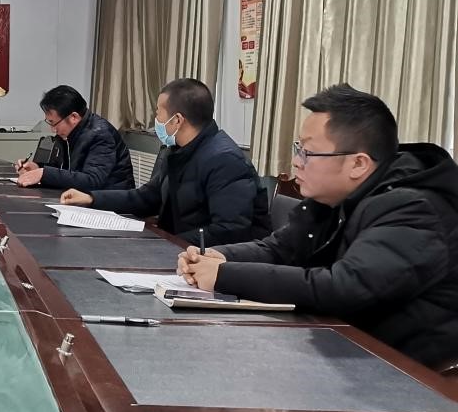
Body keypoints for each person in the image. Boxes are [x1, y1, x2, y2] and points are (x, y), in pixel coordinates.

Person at [179, 84, 458, 369]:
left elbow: (344, 287)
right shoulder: (335, 197)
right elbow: (279, 249)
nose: (296, 162)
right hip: (339, 346)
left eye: (308, 153)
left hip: (405, 372)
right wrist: (218, 257)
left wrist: (224, 276)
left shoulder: (413, 208)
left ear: (358, 164)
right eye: (298, 148)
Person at [61, 78, 271, 244]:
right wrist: (91, 199)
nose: (157, 120)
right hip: (178, 249)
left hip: (211, 263)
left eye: (158, 113)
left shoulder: (224, 160)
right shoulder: (178, 150)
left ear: (177, 120)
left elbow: (229, 231)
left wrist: (164, 242)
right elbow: (146, 198)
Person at [17, 85, 133, 191]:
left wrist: (45, 174)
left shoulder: (101, 134)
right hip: (82, 197)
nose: (53, 130)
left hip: (111, 202)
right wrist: (37, 168)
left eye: (54, 123)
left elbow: (92, 181)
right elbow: (64, 169)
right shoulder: (69, 133)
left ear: (73, 117)